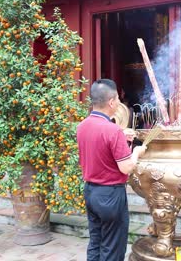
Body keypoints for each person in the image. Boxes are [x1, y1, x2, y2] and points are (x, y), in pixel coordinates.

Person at [76, 79, 146, 261]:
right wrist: (137, 152)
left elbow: (97, 142)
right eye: (117, 100)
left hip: (91, 192)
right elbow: (126, 167)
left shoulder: (82, 126)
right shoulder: (112, 130)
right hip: (110, 195)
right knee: (112, 248)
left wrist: (121, 137)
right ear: (112, 101)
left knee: (96, 242)